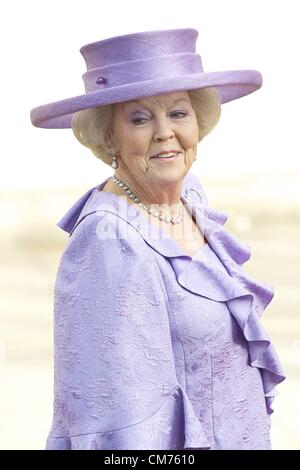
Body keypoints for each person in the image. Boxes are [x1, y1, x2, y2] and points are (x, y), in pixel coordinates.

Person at [30, 28, 285, 450]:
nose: (165, 132)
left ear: (198, 122)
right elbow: (119, 422)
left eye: (179, 113)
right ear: (109, 136)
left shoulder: (189, 197)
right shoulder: (108, 242)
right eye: (139, 118)